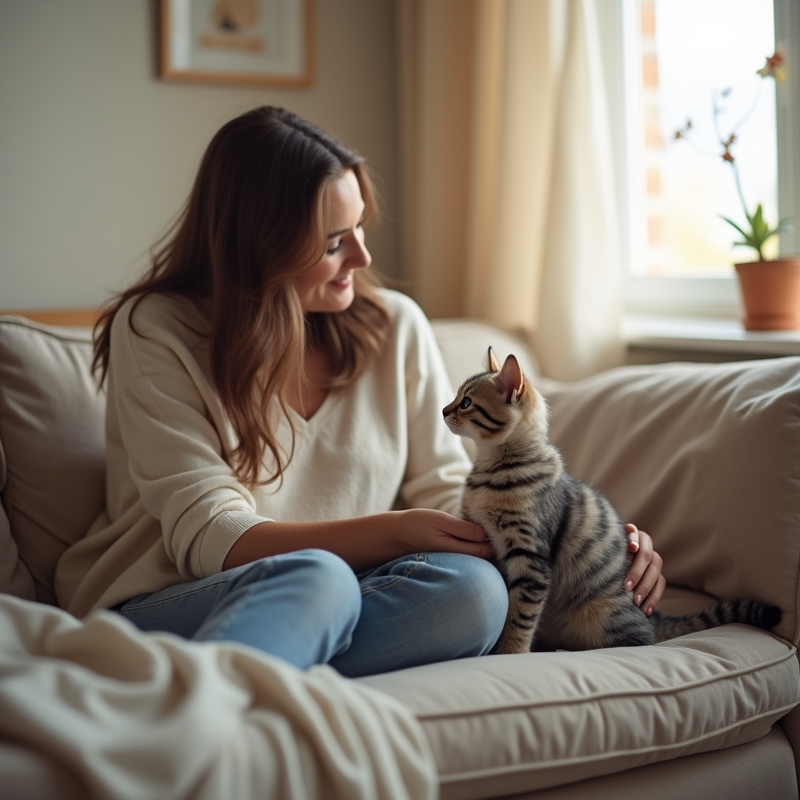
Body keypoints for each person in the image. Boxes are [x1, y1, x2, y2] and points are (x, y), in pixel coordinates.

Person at [54, 106, 665, 678]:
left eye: (359, 228)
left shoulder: (395, 326)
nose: (363, 256)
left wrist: (593, 548)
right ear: (260, 247)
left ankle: (259, 671)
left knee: (476, 594)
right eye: (333, 243)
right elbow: (211, 537)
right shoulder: (156, 329)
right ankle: (214, 710)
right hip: (169, 600)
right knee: (317, 580)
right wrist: (395, 533)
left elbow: (450, 494)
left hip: (345, 589)